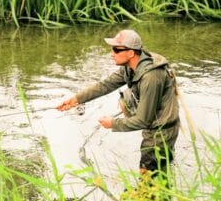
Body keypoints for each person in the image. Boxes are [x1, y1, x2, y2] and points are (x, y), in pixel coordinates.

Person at [56, 29, 180, 178]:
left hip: (161, 133)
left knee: (148, 180)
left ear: (131, 53)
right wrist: (76, 99)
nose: (111, 54)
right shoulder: (131, 66)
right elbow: (106, 85)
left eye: (116, 49)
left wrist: (113, 123)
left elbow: (143, 120)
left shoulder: (150, 77)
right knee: (161, 175)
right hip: (155, 125)